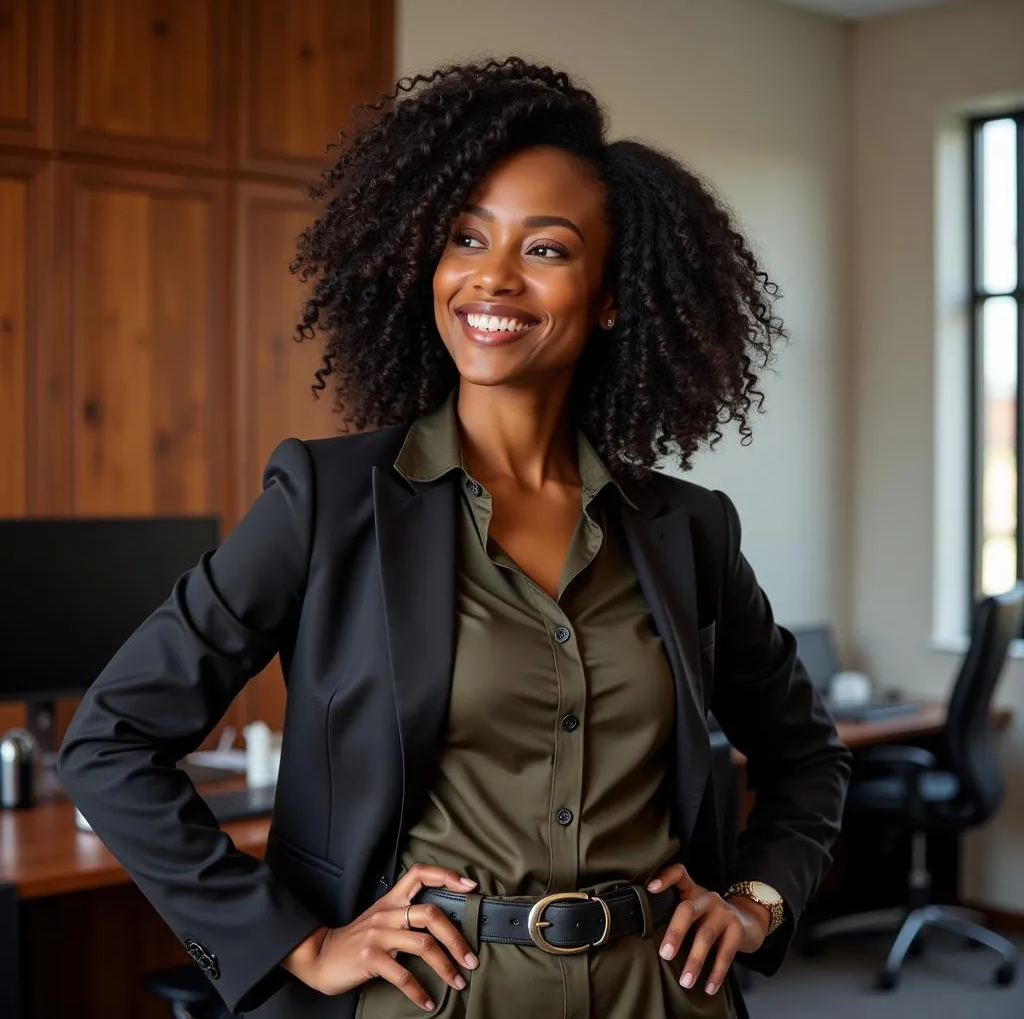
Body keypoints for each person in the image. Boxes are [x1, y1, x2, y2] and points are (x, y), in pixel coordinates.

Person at [57, 58, 851, 1019]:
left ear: (610, 295)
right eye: (466, 237)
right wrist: (296, 944)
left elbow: (806, 754)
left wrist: (759, 903)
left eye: (548, 250)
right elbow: (112, 739)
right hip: (433, 1000)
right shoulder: (329, 500)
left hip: (663, 994)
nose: (493, 276)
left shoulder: (687, 529)